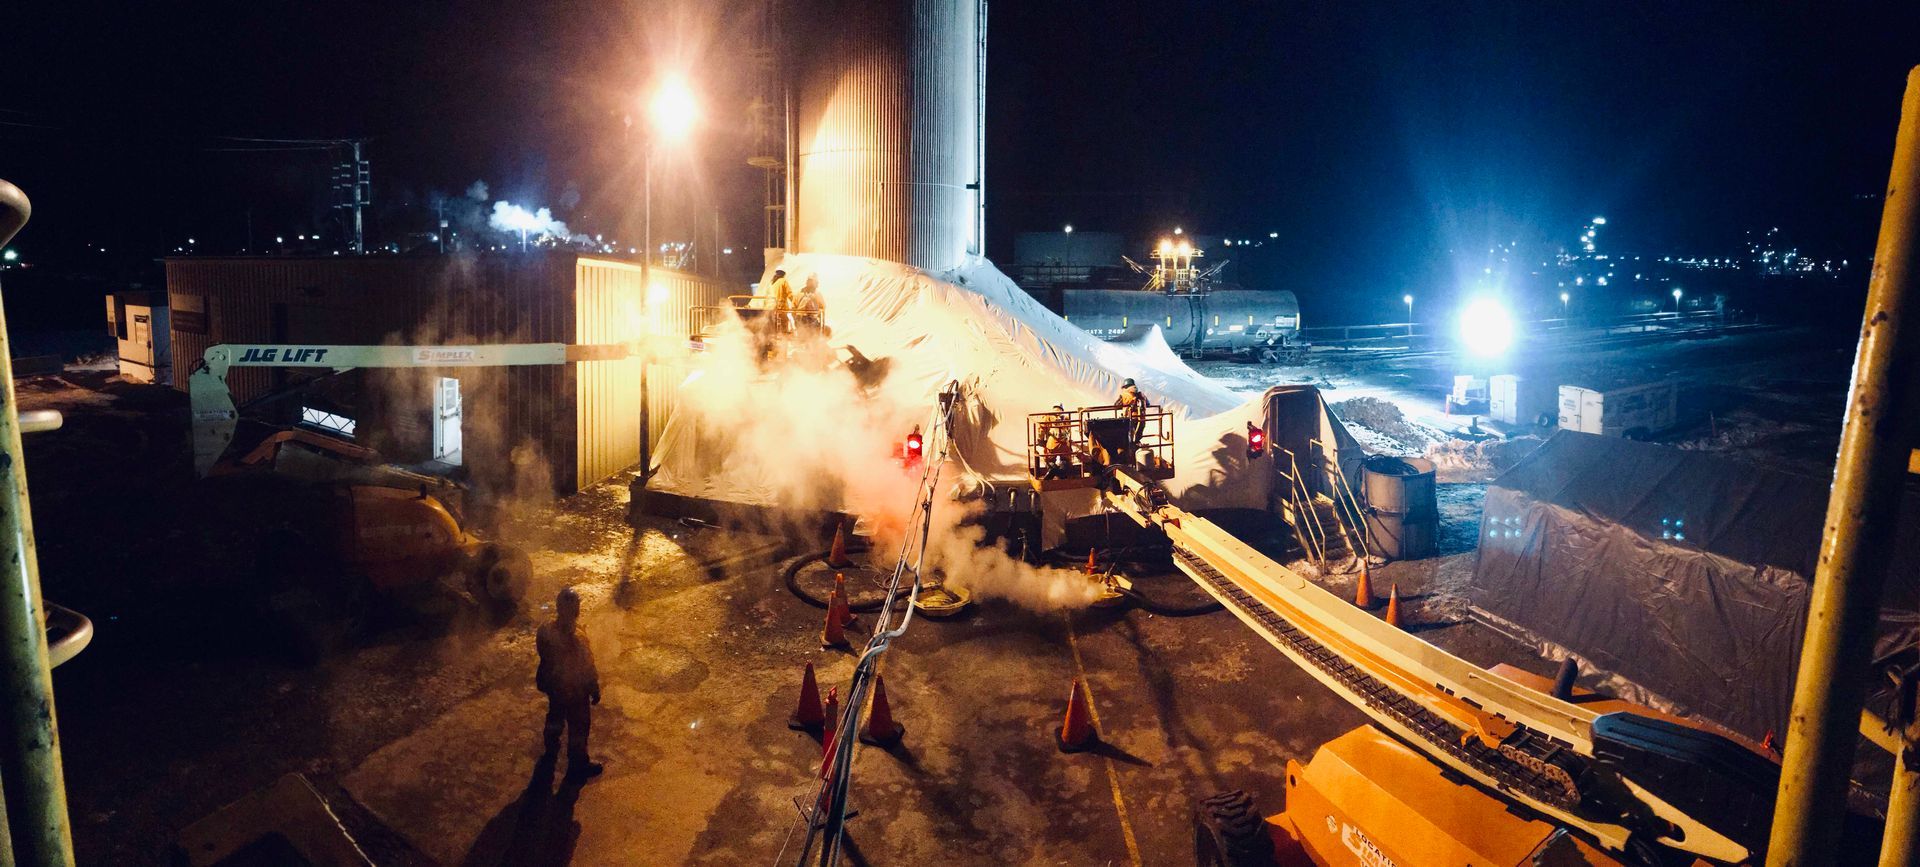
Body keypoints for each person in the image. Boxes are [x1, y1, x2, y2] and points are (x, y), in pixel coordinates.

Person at [536, 587, 603, 778]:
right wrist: (594, 688)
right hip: (575, 690)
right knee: (579, 725)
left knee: (555, 718)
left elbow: (543, 653)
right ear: (576, 611)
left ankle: (550, 752)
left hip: (555, 687)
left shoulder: (546, 630)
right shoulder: (578, 638)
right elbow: (587, 667)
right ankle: (578, 764)